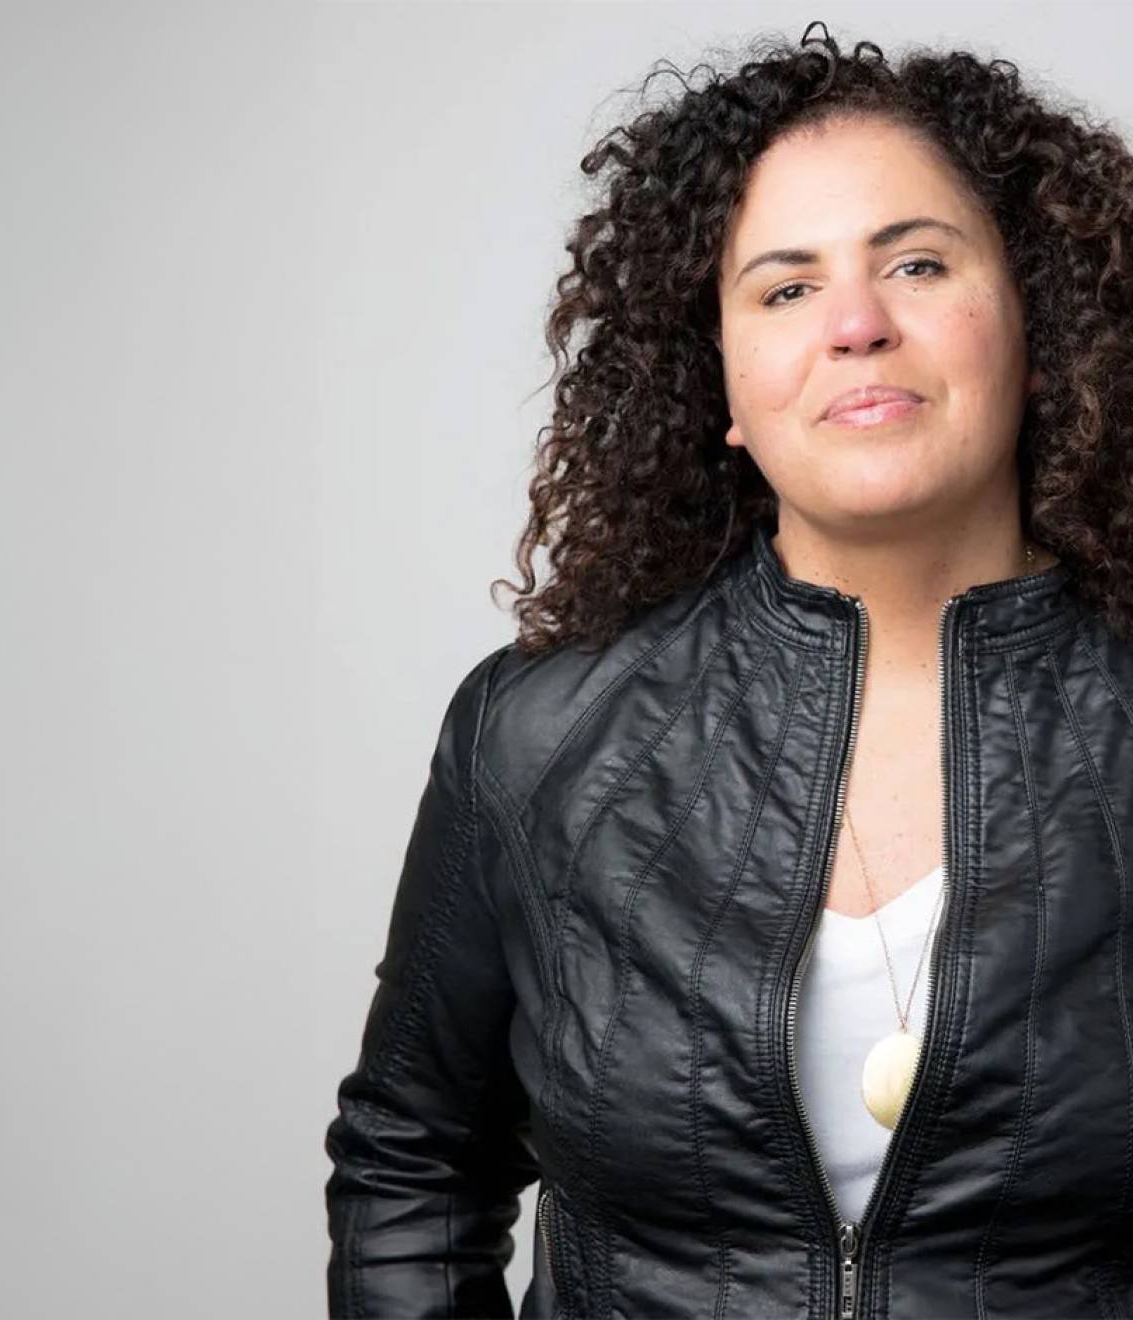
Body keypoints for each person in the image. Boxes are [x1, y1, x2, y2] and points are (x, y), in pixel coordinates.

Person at [323, 21, 1133, 1319]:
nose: (858, 325)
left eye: (917, 263)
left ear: (1040, 328)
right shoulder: (537, 739)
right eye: (786, 287)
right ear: (724, 388)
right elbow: (411, 1159)